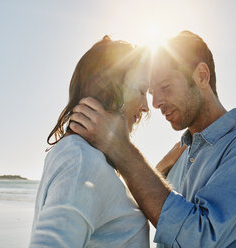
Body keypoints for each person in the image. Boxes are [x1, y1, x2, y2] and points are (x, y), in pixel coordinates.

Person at [70, 31, 236, 247]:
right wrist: (157, 170)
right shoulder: (178, 159)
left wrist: (120, 148)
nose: (155, 103)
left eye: (165, 87)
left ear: (201, 76)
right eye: (150, 92)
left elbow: (197, 238)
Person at [29, 36, 151, 247]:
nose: (146, 107)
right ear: (111, 88)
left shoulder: (84, 156)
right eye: (141, 91)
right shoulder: (81, 160)